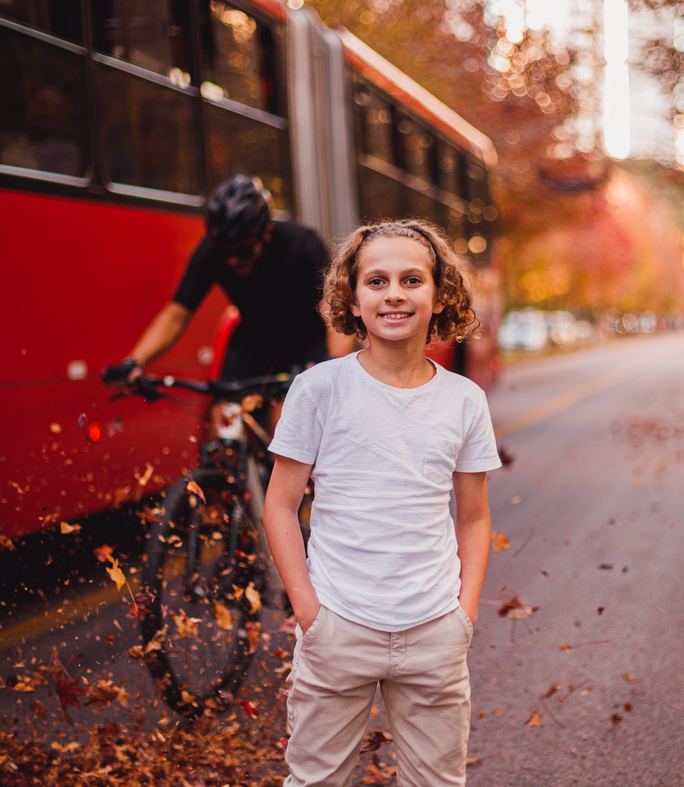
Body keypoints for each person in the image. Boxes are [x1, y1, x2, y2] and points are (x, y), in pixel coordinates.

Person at [262, 219, 501, 787]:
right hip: (337, 626)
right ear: (353, 298)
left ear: (439, 295)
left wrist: (463, 614)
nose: (394, 293)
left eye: (411, 280)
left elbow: (473, 517)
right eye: (377, 281)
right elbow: (280, 506)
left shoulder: (465, 400)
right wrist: (308, 611)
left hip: (435, 630)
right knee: (315, 781)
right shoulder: (318, 389)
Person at [104, 175, 345, 388]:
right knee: (223, 412)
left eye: (242, 251)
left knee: (286, 415)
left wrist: (335, 364)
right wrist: (135, 361)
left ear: (266, 233)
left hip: (309, 346)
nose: (231, 260)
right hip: (256, 349)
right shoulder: (210, 251)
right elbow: (177, 313)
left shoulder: (302, 244)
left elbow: (335, 307)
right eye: (223, 252)